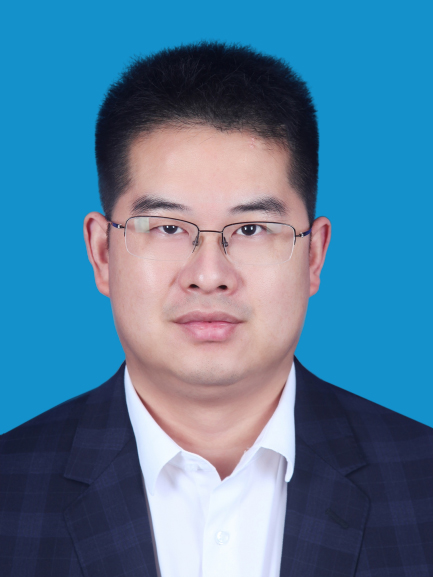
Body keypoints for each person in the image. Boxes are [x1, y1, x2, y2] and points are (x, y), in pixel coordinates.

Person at [0, 41, 432, 577]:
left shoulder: (421, 483)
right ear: (102, 253)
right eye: (167, 227)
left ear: (314, 256)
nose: (209, 275)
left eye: (251, 228)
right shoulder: (11, 491)